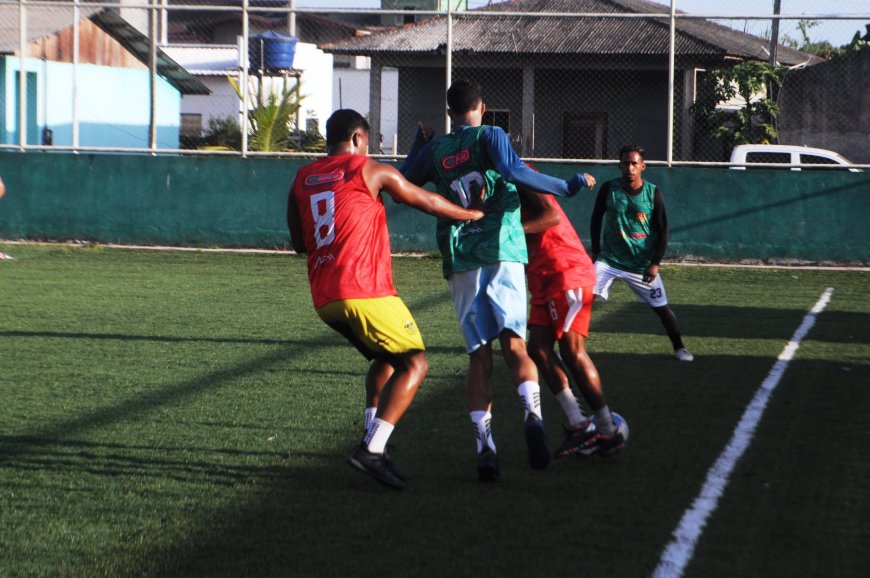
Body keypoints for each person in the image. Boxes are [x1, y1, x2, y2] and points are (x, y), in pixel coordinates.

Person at [401, 79, 594, 481]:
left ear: (451, 112)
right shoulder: (492, 135)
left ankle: (485, 447)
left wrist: (420, 145)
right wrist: (567, 186)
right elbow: (513, 170)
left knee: (479, 356)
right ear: (483, 107)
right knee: (516, 345)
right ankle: (533, 417)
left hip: (461, 256)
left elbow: (404, 184)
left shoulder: (437, 149)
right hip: (503, 248)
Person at [287, 109, 486, 490]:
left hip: (325, 298)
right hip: (364, 290)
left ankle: (372, 436)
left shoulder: (301, 178)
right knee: (416, 365)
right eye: (368, 141)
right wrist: (470, 214)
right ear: (360, 139)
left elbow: (299, 244)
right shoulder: (370, 171)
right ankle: (371, 449)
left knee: (386, 359)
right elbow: (425, 200)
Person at [520, 185, 626, 457]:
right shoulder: (488, 180)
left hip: (564, 270)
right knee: (538, 349)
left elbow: (551, 215)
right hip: (542, 276)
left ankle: (606, 429)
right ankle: (580, 423)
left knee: (571, 350)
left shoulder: (518, 173)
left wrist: (510, 233)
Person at [590, 144, 693, 362]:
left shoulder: (653, 193)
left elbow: (663, 230)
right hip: (609, 260)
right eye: (626, 163)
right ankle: (568, 346)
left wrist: (655, 263)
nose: (630, 168)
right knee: (583, 300)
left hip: (641, 265)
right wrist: (597, 252)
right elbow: (596, 219)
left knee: (662, 309)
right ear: (619, 166)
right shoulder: (609, 189)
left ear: (642, 166)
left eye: (634, 163)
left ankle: (680, 348)